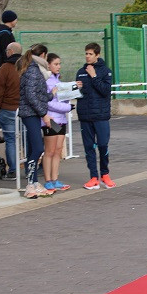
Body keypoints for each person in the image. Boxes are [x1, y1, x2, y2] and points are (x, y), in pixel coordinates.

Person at [75, 42, 116, 190]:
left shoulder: (106, 71)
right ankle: (93, 177)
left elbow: (105, 91)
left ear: (97, 55)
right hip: (85, 116)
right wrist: (76, 88)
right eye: (86, 53)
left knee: (103, 145)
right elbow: (78, 94)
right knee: (88, 147)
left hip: (101, 116)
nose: (87, 56)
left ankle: (105, 174)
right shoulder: (80, 71)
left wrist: (94, 76)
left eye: (90, 54)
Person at [18, 44, 56, 199]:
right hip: (30, 114)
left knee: (34, 148)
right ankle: (30, 184)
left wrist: (50, 95)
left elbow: (36, 94)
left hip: (31, 113)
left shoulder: (33, 70)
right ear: (43, 55)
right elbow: (31, 96)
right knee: (38, 148)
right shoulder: (34, 71)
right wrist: (44, 113)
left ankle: (33, 182)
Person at [43, 52, 72, 191]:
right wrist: (67, 107)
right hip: (52, 119)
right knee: (50, 150)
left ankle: (55, 179)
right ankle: (48, 180)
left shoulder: (58, 81)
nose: (58, 66)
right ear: (48, 65)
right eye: (56, 64)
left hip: (61, 119)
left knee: (58, 150)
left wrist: (72, 91)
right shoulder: (46, 81)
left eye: (59, 64)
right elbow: (48, 103)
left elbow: (62, 98)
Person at [0, 42, 22, 180]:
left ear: (10, 52)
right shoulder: (26, 67)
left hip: (7, 108)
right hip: (23, 109)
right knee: (25, 139)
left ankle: (13, 170)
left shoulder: (5, 68)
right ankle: (30, 166)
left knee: (10, 140)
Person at [0, 10, 18, 82]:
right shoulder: (5, 34)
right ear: (11, 20)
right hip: (1, 68)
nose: (16, 21)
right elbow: (5, 53)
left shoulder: (3, 32)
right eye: (15, 19)